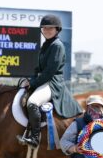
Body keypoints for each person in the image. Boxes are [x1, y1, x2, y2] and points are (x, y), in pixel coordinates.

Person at [17, 14, 82, 148]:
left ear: (57, 29)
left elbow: (49, 71)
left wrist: (34, 83)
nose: (47, 30)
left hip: (52, 83)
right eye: (44, 28)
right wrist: (31, 80)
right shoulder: (46, 45)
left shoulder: (57, 46)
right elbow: (39, 69)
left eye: (50, 28)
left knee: (32, 103)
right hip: (43, 80)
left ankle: (35, 138)